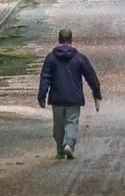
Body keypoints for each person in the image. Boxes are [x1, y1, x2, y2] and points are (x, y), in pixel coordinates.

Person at [37, 29, 102, 159]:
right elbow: (90, 76)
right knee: (72, 122)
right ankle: (69, 145)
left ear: (59, 40)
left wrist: (42, 96)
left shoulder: (51, 58)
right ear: (71, 41)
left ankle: (60, 149)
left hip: (56, 98)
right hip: (74, 97)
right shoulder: (79, 58)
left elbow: (45, 77)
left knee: (59, 124)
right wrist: (96, 92)